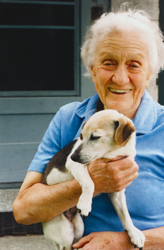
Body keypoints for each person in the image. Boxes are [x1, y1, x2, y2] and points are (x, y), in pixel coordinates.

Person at [13, 7, 164, 250]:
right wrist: (90, 182)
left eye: (134, 65)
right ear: (92, 70)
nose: (120, 78)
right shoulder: (69, 118)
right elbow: (24, 211)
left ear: (149, 75)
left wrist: (124, 242)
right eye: (108, 63)